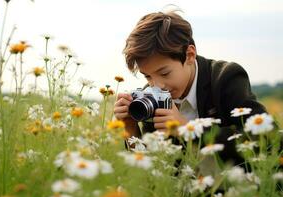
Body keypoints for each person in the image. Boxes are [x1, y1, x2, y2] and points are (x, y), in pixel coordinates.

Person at [113, 11, 267, 166]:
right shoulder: (151, 98)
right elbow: (153, 171)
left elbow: (263, 138)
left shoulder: (226, 77)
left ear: (190, 55)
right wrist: (130, 129)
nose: (157, 85)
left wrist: (187, 129)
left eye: (164, 73)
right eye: (147, 76)